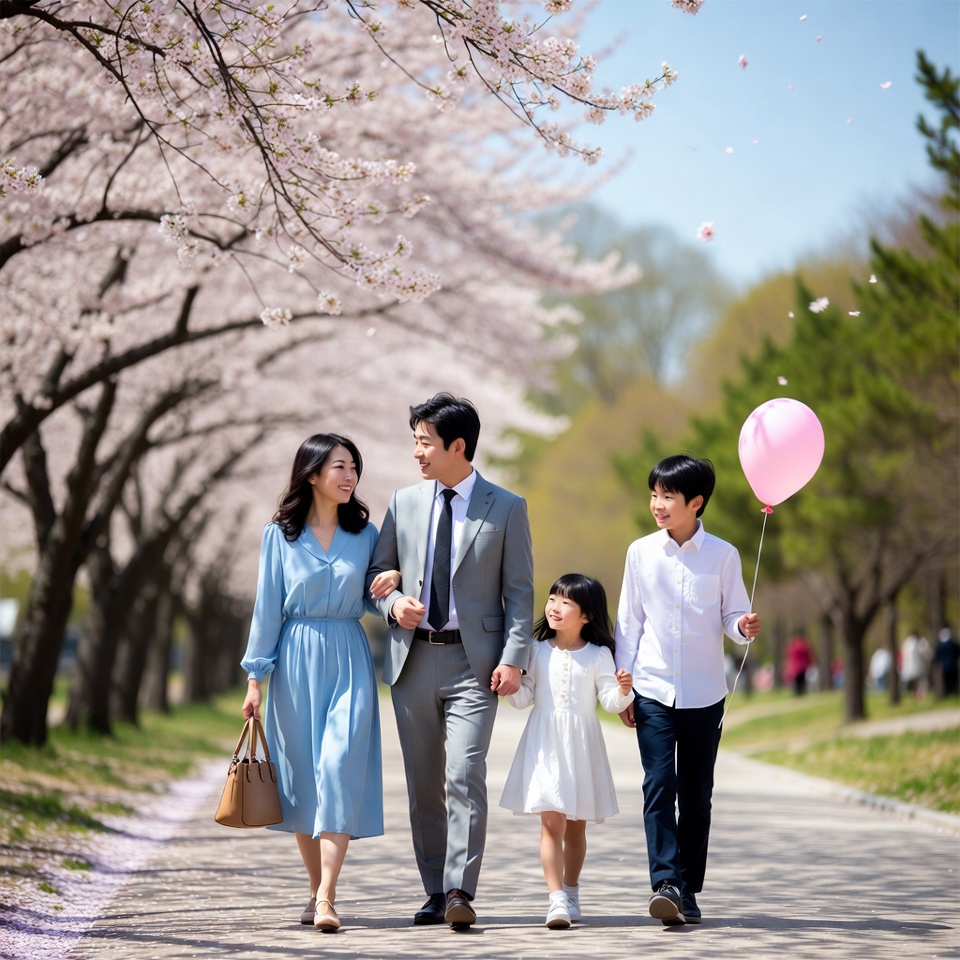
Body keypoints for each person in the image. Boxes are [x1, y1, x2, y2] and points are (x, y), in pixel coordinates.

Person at [367, 392, 534, 929]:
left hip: (474, 664)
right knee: (424, 783)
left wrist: (514, 659)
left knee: (465, 773)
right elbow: (376, 576)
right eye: (415, 441)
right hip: (413, 660)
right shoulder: (404, 502)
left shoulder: (506, 507)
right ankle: (435, 891)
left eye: (425, 442)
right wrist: (394, 604)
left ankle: (461, 889)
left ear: (457, 446)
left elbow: (520, 594)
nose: (416, 452)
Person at [240, 434, 397, 933]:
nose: (350, 477)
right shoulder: (278, 536)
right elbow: (267, 608)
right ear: (312, 475)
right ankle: (315, 890)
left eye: (354, 467)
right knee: (304, 781)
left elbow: (373, 595)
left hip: (349, 656)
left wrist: (392, 592)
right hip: (294, 661)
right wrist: (255, 678)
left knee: (338, 768)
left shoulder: (366, 534)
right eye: (340, 467)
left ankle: (327, 896)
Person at [614, 454, 760, 927]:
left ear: (696, 503)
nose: (657, 505)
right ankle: (666, 883)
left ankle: (688, 889)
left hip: (704, 694)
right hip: (652, 689)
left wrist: (742, 626)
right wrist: (623, 687)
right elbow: (629, 622)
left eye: (668, 497)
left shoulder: (723, 555)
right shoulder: (640, 553)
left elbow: (731, 615)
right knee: (659, 785)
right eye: (654, 495)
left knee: (697, 795)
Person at [499, 574, 634, 929]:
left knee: (575, 829)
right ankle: (556, 898)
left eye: (566, 602)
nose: (554, 607)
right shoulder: (535, 649)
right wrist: (508, 688)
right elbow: (525, 696)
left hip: (581, 747)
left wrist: (624, 690)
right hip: (544, 744)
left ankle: (571, 890)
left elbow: (609, 701)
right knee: (551, 822)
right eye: (552, 599)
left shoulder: (599, 655)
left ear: (587, 616)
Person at [900, 632, 931, 699]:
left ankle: (916, 695)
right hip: (919, 667)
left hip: (910, 667)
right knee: (921, 683)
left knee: (915, 683)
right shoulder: (921, 642)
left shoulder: (907, 642)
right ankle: (919, 696)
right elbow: (927, 655)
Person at [932, 625, 960, 698]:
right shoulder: (954, 644)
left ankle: (949, 695)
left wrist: (936, 664)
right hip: (953, 666)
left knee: (947, 682)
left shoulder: (941, 646)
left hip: (945, 666)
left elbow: (937, 656)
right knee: (953, 681)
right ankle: (954, 694)